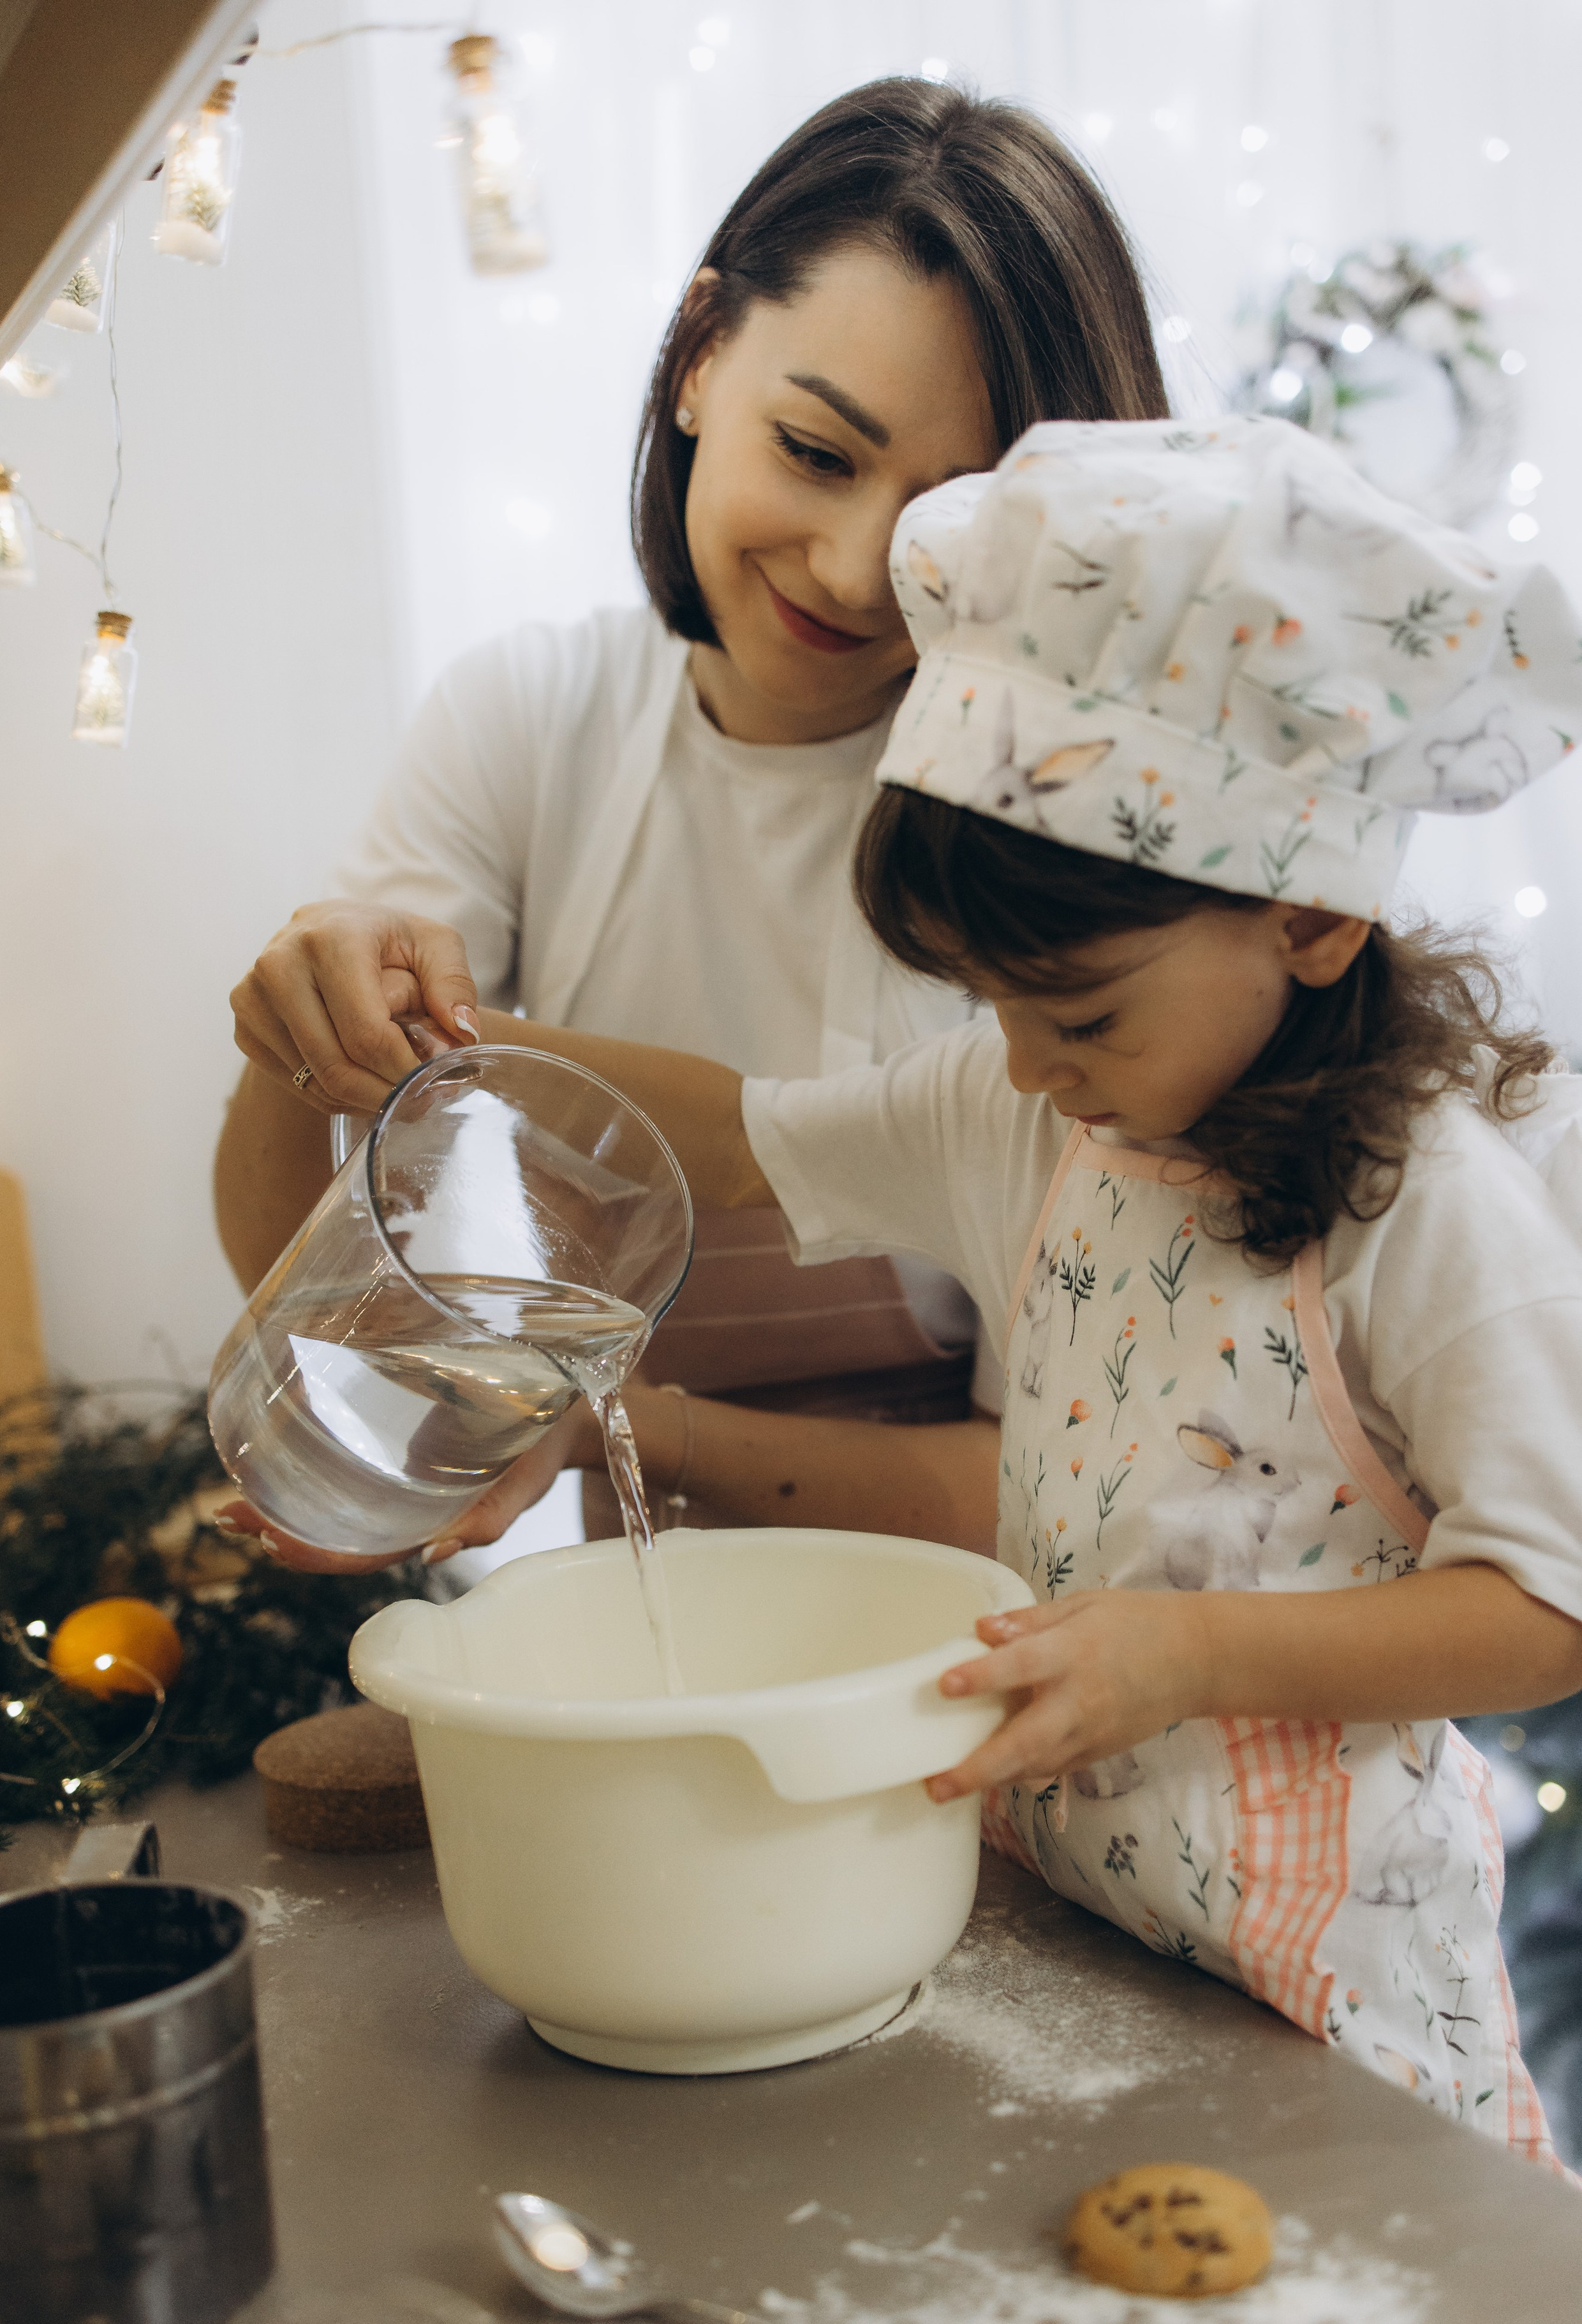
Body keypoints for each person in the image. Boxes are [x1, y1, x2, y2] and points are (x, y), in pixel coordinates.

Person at [435, 414, 1582, 2165]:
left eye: (1086, 1016)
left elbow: (1552, 1611)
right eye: (995, 1011)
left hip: (1335, 2021)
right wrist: (457, 1051)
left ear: (1310, 921)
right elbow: (736, 1139)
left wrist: (1191, 1651)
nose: (1032, 1068)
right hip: (1082, 1954)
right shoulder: (1030, 1113)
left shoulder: (1429, 1209)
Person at [214, 77, 1169, 1570]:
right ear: (698, 355)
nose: (856, 573)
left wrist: (634, 1428)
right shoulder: (533, 720)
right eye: (817, 452)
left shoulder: (1059, 833)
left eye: (947, 524)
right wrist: (300, 1039)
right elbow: (313, 1282)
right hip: (653, 1648)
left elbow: (1065, 1468)